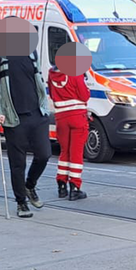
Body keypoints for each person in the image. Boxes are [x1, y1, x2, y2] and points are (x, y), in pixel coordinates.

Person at [0, 41, 53, 218]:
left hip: (37, 114)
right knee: (18, 163)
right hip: (13, 117)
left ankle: (30, 185)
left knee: (44, 154)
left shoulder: (31, 51)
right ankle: (21, 202)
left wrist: (44, 106)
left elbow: (38, 78)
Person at [48, 59, 91, 200]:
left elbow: (52, 94)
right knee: (76, 153)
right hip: (77, 116)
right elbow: (84, 95)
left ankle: (61, 185)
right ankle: (75, 187)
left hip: (61, 117)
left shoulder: (52, 74)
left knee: (64, 151)